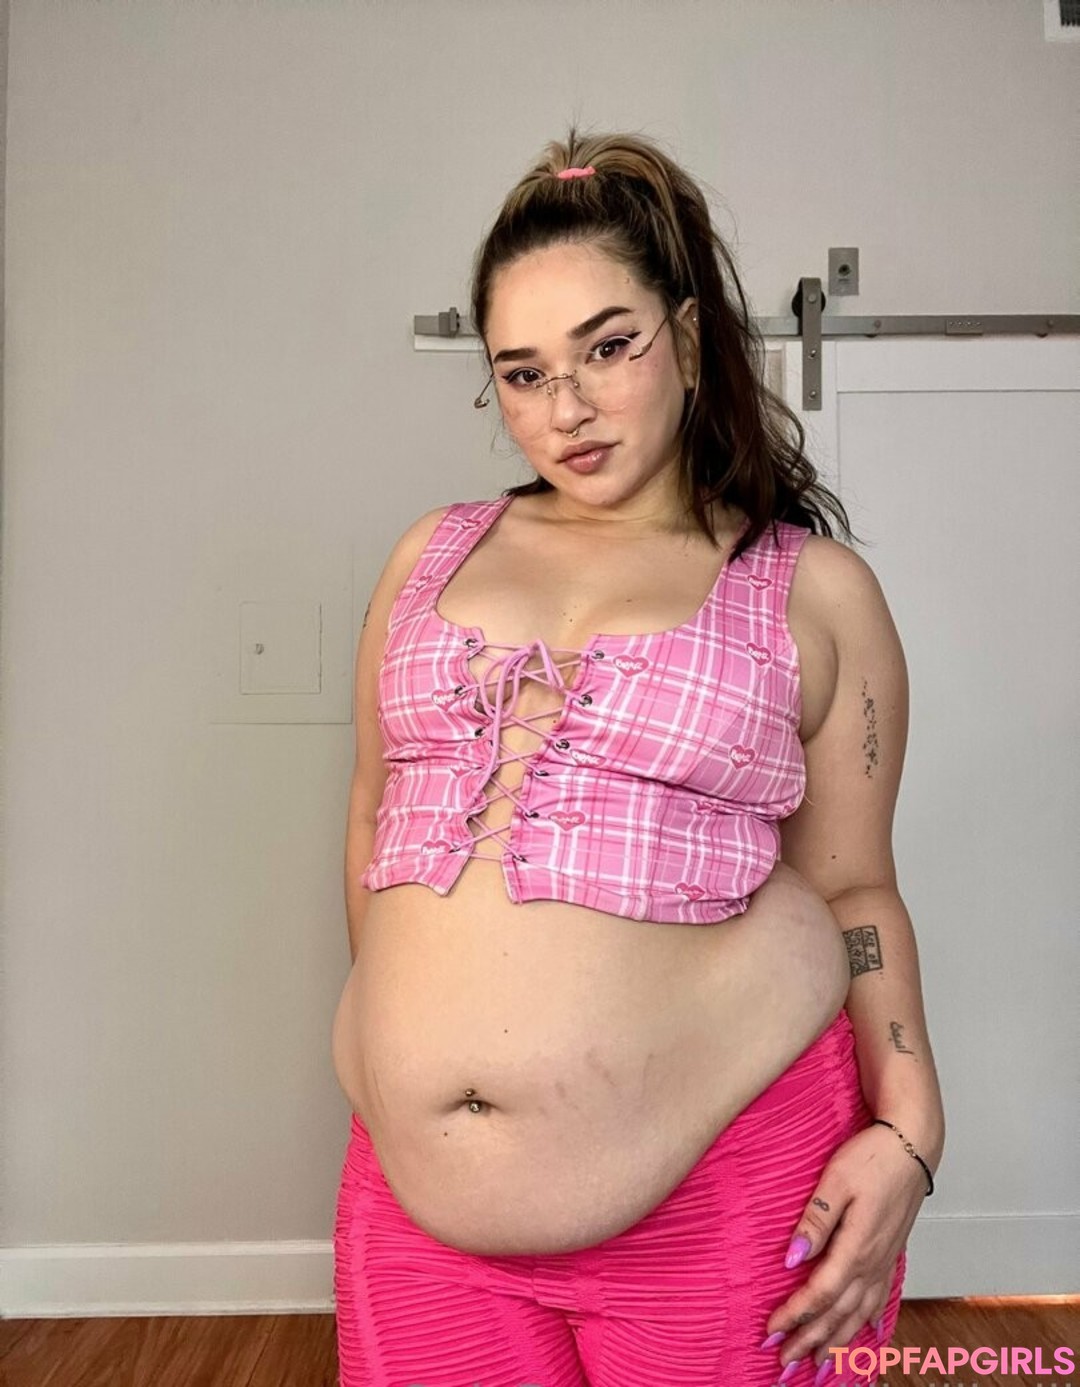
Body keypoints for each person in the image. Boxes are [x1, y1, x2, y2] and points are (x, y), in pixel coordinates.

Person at [330, 128, 945, 1387]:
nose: (566, 409)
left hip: (721, 1192)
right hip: (419, 1212)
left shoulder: (811, 591)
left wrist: (911, 1131)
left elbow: (855, 891)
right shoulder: (426, 558)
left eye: (608, 347)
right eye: (523, 373)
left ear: (690, 335)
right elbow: (371, 824)